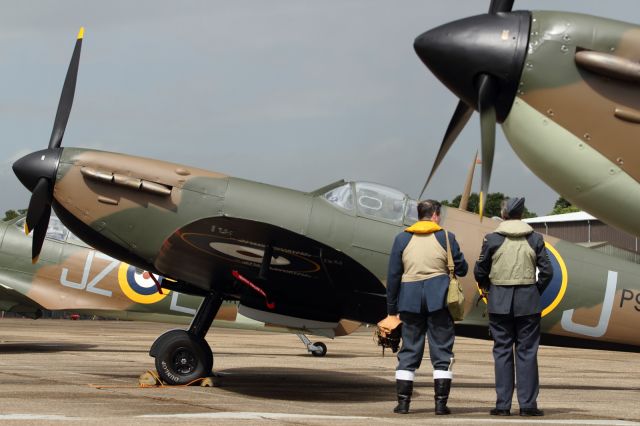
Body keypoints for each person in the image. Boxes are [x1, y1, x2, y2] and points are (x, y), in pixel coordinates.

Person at [384, 199, 468, 415]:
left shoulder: (402, 238)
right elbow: (463, 268)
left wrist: (392, 310)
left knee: (409, 351)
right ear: (435, 215)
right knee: (441, 352)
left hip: (409, 301)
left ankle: (403, 404)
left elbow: (393, 276)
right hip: (439, 301)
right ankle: (440, 405)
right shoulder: (447, 237)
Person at [474, 197, 553, 417]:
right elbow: (547, 272)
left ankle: (502, 405)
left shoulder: (492, 239)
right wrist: (534, 290)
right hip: (528, 302)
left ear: (504, 214)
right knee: (527, 353)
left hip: (499, 302)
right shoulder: (535, 239)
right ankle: (528, 405)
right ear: (522, 214)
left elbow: (480, 271)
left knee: (502, 352)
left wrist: (490, 287)